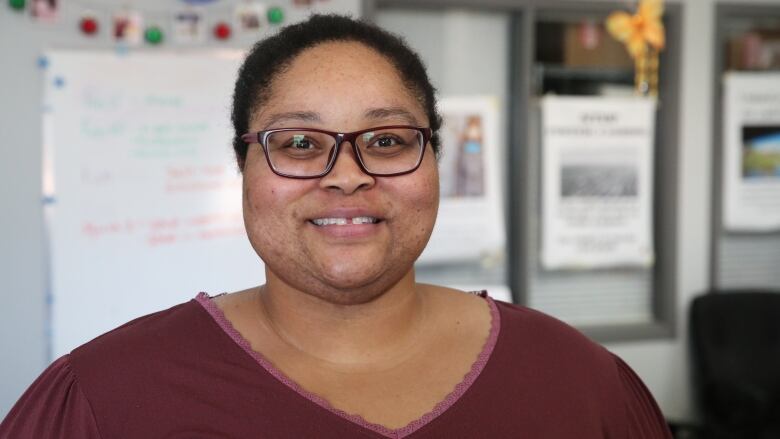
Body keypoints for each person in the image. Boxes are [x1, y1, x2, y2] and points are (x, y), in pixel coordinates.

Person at [0, 14, 672, 439]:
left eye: (385, 140)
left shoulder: (582, 387)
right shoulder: (103, 401)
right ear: (243, 166)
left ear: (434, 156)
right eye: (298, 144)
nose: (346, 174)